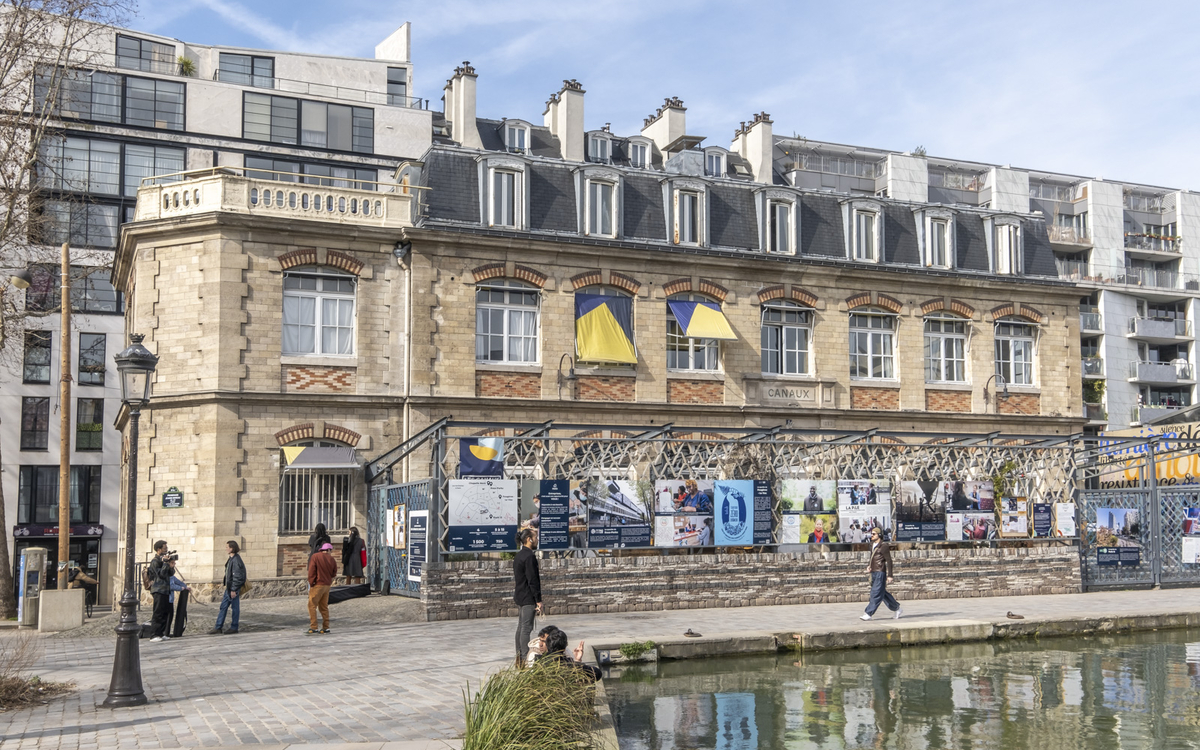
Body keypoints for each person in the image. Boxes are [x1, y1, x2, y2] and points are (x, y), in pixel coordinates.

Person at [513, 528, 542, 664]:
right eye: (535, 537)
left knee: (521, 627)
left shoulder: (519, 555)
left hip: (520, 595)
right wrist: (538, 600)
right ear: (529, 539)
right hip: (528, 597)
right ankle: (524, 659)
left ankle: (519, 658)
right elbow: (532, 580)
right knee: (526, 628)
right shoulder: (529, 556)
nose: (537, 539)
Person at [861, 527, 901, 621]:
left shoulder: (884, 546)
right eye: (871, 534)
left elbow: (889, 561)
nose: (871, 536)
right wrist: (869, 565)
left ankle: (868, 613)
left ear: (879, 535)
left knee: (875, 593)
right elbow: (873, 557)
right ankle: (897, 608)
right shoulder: (871, 544)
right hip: (873, 572)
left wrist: (890, 575)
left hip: (880, 572)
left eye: (874, 534)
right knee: (882, 593)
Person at [534, 626, 601, 683]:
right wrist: (577, 662)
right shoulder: (568, 665)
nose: (540, 644)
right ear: (565, 647)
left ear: (547, 645)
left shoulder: (538, 663)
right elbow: (597, 673)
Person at [210, 540, 247, 635]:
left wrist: (234, 589)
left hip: (233, 588)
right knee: (223, 607)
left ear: (232, 548)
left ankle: (234, 627)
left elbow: (237, 576)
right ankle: (218, 627)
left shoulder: (236, 560)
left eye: (227, 547)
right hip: (229, 588)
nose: (226, 549)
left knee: (235, 608)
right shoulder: (231, 558)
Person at [147, 540, 176, 642]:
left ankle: (161, 633)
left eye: (166, 548)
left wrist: (171, 565)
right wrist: (165, 563)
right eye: (164, 548)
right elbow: (161, 575)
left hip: (165, 590)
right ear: (159, 549)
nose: (166, 550)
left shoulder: (164, 561)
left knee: (165, 613)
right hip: (158, 590)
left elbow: (170, 574)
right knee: (158, 613)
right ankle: (154, 634)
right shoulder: (155, 561)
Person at [307, 542, 337, 634]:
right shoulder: (332, 559)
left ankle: (314, 627)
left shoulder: (315, 557)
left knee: (312, 605)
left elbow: (311, 570)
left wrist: (311, 582)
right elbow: (334, 573)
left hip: (317, 584)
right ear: (328, 550)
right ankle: (326, 627)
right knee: (324, 607)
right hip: (327, 585)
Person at [165, 571, 191, 638]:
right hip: (166, 599)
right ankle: (164, 633)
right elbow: (171, 586)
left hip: (170, 600)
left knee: (170, 616)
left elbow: (179, 582)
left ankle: (166, 632)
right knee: (166, 617)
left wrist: (185, 587)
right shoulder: (166, 576)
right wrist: (181, 588)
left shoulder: (172, 577)